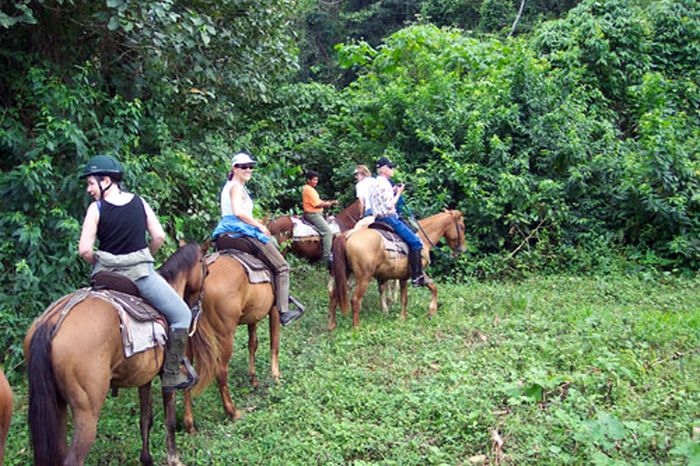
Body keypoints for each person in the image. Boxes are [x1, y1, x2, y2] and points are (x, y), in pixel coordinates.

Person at [77, 154, 197, 392]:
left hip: (106, 278)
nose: (89, 189)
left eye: (91, 183)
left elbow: (84, 250)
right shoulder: (140, 203)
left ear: (107, 181)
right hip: (140, 276)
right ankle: (171, 374)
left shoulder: (96, 209)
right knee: (182, 315)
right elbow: (159, 237)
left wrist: (100, 263)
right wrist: (145, 256)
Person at [212, 152, 303, 326]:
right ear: (234, 169)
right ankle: (283, 310)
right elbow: (238, 212)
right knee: (283, 267)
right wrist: (259, 226)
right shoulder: (236, 187)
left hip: (225, 233)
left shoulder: (230, 186)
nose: (248, 169)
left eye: (250, 166)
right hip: (241, 230)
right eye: (243, 166)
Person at [370, 156, 429, 287]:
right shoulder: (385, 183)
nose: (393, 170)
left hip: (377, 218)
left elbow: (380, 198)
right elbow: (390, 205)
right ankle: (417, 276)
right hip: (389, 218)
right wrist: (399, 193)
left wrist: (393, 190)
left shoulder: (373, 183)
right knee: (415, 242)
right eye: (390, 167)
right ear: (384, 169)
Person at [301, 169, 337, 269]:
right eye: (314, 180)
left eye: (316, 180)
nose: (316, 182)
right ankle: (326, 259)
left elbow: (319, 201)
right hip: (313, 214)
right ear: (308, 180)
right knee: (327, 232)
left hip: (317, 213)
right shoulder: (308, 189)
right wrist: (330, 203)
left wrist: (327, 202)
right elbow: (317, 204)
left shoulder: (311, 189)